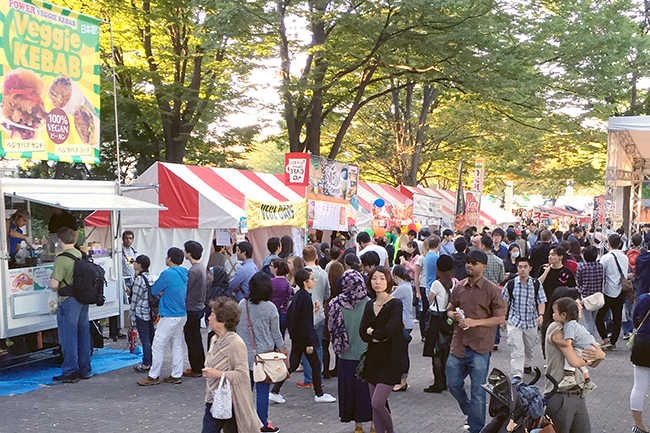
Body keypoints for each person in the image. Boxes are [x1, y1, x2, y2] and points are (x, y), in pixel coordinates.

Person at [446, 249, 506, 433]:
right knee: (452, 383)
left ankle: (476, 429)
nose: (469, 265)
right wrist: (452, 314)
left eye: (474, 263)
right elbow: (448, 309)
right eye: (468, 262)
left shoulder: (491, 290)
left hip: (480, 346)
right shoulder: (459, 286)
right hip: (459, 344)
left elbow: (500, 318)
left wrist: (475, 323)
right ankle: (470, 411)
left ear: (484, 266)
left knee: (479, 392)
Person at [270, 268, 337, 403]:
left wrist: (313, 312)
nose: (314, 281)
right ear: (305, 282)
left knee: (294, 365)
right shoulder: (305, 297)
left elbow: (299, 317)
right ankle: (319, 394)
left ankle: (275, 390)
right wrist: (309, 343)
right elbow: (305, 322)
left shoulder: (300, 295)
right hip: (304, 339)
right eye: (312, 279)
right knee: (316, 364)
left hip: (297, 338)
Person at [201, 297, 263, 433]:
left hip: (233, 402)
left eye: (212, 315)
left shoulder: (235, 343)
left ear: (222, 321)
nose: (209, 318)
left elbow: (243, 374)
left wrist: (217, 374)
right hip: (214, 399)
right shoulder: (214, 339)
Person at [545, 296, 605, 433]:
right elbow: (574, 361)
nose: (580, 308)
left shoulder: (574, 328)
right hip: (560, 394)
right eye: (578, 304)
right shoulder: (557, 328)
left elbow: (592, 362)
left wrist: (599, 356)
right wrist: (599, 356)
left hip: (577, 392)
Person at [359, 267, 407, 433]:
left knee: (377, 403)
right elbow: (362, 331)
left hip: (391, 359)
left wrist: (372, 332)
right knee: (375, 407)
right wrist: (374, 335)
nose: (377, 282)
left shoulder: (395, 304)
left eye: (381, 278)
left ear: (388, 281)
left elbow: (390, 330)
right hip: (373, 359)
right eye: (374, 278)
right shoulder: (369, 304)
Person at [236, 272, 286, 432]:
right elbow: (276, 333)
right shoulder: (270, 308)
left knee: (245, 392)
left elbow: (238, 328)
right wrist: (283, 350)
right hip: (265, 357)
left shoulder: (242, 304)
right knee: (263, 391)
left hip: (243, 355)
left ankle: (242, 422)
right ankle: (262, 424)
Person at [328, 268, 373, 433]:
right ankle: (374, 426)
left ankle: (357, 426)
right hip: (367, 356)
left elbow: (332, 329)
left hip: (345, 357)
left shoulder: (335, 304)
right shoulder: (369, 303)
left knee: (351, 393)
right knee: (369, 393)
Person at [138, 248, 189, 386]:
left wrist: (162, 292)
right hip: (181, 314)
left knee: (158, 345)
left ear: (170, 258)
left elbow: (154, 290)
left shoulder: (167, 274)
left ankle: (153, 376)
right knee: (177, 345)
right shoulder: (184, 273)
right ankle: (176, 374)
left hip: (168, 314)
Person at [49, 227, 91, 383]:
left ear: (59, 240)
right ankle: (85, 369)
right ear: (73, 240)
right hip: (82, 299)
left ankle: (70, 371)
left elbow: (54, 284)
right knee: (83, 334)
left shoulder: (61, 259)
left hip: (67, 300)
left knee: (68, 337)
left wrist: (51, 282)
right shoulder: (80, 254)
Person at [502, 257, 546, 379]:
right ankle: (517, 375)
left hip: (531, 322)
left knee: (529, 347)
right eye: (520, 267)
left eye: (525, 267)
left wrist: (541, 315)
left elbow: (541, 301)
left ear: (530, 269)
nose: (522, 270)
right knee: (517, 349)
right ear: (517, 269)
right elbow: (505, 301)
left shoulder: (536, 284)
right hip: (515, 321)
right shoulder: (511, 284)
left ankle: (527, 363)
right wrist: (502, 318)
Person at [552, 298, 597, 395]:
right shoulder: (575, 324)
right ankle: (588, 382)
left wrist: (555, 340)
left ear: (563, 315)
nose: (552, 315)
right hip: (592, 347)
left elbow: (567, 343)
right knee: (581, 361)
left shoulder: (569, 326)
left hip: (586, 348)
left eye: (554, 312)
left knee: (572, 356)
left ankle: (569, 377)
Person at [423, 255, 454, 393]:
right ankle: (445, 380)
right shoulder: (452, 282)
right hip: (447, 319)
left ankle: (438, 383)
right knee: (445, 351)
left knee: (435, 352)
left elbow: (430, 299)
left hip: (436, 318)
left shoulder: (437, 283)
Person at [597, 233, 629, 350]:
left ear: (608, 244)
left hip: (607, 291)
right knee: (617, 317)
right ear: (620, 244)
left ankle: (605, 339)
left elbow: (601, 272)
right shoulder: (625, 257)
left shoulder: (605, 258)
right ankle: (613, 341)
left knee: (599, 317)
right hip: (621, 290)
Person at [183, 241, 208, 378]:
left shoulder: (193, 270)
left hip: (192, 308)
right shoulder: (201, 267)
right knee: (196, 338)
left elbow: (186, 288)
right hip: (198, 307)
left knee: (191, 338)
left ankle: (196, 367)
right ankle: (199, 365)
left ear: (190, 253)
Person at [130, 255, 156, 373]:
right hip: (150, 311)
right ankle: (154, 361)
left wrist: (131, 314)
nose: (134, 263)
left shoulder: (139, 279)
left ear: (140, 265)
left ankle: (146, 363)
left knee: (144, 338)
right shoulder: (150, 277)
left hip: (141, 311)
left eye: (136, 261)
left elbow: (135, 298)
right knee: (151, 338)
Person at [391, 265, 414, 392]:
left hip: (404, 323)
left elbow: (389, 299)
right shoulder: (406, 286)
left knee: (401, 353)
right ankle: (400, 380)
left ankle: (402, 381)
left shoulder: (403, 288)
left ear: (395, 276)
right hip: (407, 322)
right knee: (401, 352)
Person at [631, 293, 650, 433]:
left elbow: (635, 319)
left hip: (643, 343)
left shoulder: (644, 298)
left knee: (639, 386)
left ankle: (638, 424)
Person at [575, 245, 604, 337]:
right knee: (593, 318)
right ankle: (591, 338)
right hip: (597, 295)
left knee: (588, 320)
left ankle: (590, 339)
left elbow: (578, 282)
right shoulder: (601, 266)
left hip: (585, 297)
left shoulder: (581, 267)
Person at [269, 258, 292, 337]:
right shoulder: (288, 283)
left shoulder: (270, 282)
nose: (269, 267)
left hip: (271, 313)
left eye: (271, 266)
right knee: (281, 337)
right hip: (283, 313)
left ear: (276, 269)